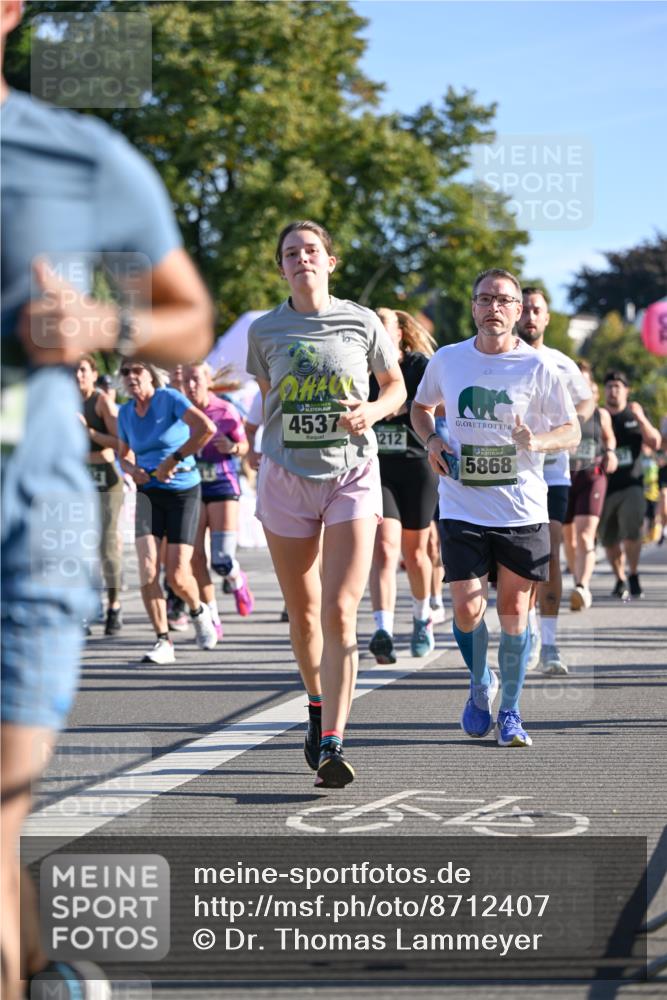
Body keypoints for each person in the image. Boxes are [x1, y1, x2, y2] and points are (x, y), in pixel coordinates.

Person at [1, 1, 214, 996]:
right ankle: (52, 977)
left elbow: (189, 317)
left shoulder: (76, 155)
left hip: (26, 534)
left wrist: (98, 322)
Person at [246, 220, 405, 787]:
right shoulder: (264, 331)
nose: (302, 259)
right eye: (291, 253)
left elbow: (395, 386)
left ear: (330, 262)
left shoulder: (361, 321)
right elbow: (268, 397)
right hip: (286, 477)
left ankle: (334, 741)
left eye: (312, 250)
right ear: (281, 267)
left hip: (351, 473)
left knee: (340, 610)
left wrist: (373, 411)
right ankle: (316, 703)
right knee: (305, 612)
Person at [412, 268, 579, 748]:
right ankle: (480, 681)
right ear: (473, 307)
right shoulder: (448, 359)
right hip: (462, 503)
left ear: (518, 310)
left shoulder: (538, 366)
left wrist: (537, 441)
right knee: (467, 609)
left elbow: (570, 429)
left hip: (521, 509)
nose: (494, 308)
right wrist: (432, 441)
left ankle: (510, 711)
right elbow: (421, 408)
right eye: (485, 299)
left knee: (513, 612)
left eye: (504, 300)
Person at [117, 361, 218, 663]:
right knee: (148, 569)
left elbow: (206, 429)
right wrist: (132, 470)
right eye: (125, 373)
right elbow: (123, 455)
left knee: (177, 575)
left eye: (137, 371)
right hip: (148, 493)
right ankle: (163, 640)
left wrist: (173, 460)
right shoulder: (125, 412)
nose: (131, 377)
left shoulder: (169, 399)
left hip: (182, 491)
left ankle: (198, 611)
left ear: (150, 375)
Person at [516, 287, 593, 675]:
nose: (530, 316)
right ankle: (526, 632)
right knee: (519, 562)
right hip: (511, 474)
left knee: (549, 554)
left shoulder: (560, 362)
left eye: (537, 310)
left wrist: (570, 423)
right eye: (525, 309)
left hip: (552, 473)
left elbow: (586, 399)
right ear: (516, 313)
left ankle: (548, 644)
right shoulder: (501, 359)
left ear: (547, 318)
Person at [368, 307, 439, 663]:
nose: (378, 336)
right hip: (378, 469)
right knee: (384, 548)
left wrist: (403, 405)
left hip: (416, 467)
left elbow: (440, 405)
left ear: (398, 333)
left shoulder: (417, 366)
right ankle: (382, 630)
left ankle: (422, 617)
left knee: (415, 554)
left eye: (384, 329)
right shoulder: (360, 369)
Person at [185, 361, 254, 634]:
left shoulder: (225, 410)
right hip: (191, 487)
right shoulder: (181, 411)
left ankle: (237, 579)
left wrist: (232, 447)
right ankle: (212, 617)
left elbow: (245, 445)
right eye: (186, 380)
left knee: (222, 560)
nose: (191, 386)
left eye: (196, 379)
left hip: (222, 485)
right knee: (195, 558)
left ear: (208, 382)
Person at [600, 371, 661, 599]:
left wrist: (641, 418)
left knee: (632, 531)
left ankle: (633, 573)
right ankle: (620, 579)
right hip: (604, 486)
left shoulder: (634, 414)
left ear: (626, 390)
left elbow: (655, 442)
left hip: (631, 484)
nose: (613, 390)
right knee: (608, 538)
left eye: (618, 386)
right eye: (609, 386)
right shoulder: (600, 415)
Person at [76, 354, 124, 635]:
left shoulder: (102, 401)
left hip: (106, 478)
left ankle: (114, 606)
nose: (78, 375)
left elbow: (120, 442)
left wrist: (90, 432)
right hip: (78, 479)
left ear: (94, 374)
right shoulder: (65, 401)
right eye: (73, 370)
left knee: (106, 546)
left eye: (83, 370)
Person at [563, 361, 618, 610]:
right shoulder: (559, 411)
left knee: (585, 534)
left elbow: (609, 437)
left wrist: (611, 452)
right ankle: (577, 579)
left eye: (583, 381)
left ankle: (582, 586)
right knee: (569, 539)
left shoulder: (599, 413)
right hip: (564, 477)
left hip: (592, 475)